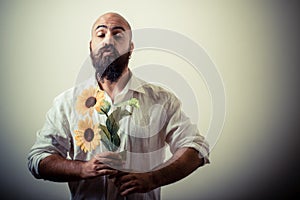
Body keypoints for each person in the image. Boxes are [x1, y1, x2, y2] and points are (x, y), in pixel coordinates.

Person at [28, 12, 210, 200]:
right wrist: (83, 168)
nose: (108, 40)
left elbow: (196, 147)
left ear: (130, 48)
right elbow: (39, 158)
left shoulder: (162, 100)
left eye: (118, 34)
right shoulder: (66, 104)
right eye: (101, 34)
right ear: (91, 46)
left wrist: (153, 178)